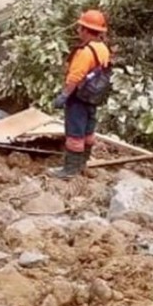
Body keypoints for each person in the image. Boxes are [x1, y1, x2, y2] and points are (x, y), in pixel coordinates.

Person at [50, 10, 112, 179]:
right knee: (88, 132)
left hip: (79, 97)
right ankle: (82, 165)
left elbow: (75, 77)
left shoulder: (85, 52)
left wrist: (64, 95)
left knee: (75, 132)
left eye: (80, 27)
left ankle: (70, 171)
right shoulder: (103, 49)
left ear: (85, 29)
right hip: (94, 96)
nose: (78, 31)